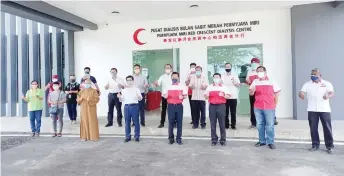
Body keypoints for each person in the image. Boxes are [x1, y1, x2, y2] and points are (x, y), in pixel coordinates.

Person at [299, 68, 334, 154]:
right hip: (312, 110)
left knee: (327, 128)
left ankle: (329, 146)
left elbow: (331, 93)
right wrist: (301, 95)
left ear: (320, 75)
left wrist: (328, 96)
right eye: (312, 75)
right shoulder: (307, 84)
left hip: (324, 109)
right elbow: (301, 92)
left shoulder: (326, 83)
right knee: (313, 128)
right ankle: (315, 145)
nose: (313, 76)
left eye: (315, 75)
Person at [249, 66, 281, 150]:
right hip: (258, 107)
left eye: (261, 71)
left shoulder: (271, 81)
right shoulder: (255, 81)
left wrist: (275, 105)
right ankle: (262, 141)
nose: (259, 72)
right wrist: (251, 91)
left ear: (265, 72)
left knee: (270, 125)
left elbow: (277, 93)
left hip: (269, 107)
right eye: (258, 71)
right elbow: (251, 93)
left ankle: (270, 142)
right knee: (259, 125)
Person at [205, 73, 231, 146]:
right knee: (212, 124)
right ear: (213, 78)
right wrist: (207, 96)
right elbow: (206, 96)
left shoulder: (224, 87)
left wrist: (223, 95)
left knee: (222, 123)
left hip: (221, 106)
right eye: (215, 77)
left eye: (217, 77)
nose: (216, 78)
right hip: (212, 106)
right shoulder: (209, 87)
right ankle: (214, 139)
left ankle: (223, 139)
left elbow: (228, 96)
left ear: (220, 78)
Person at [163, 72, 187, 145]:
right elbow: (164, 96)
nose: (174, 78)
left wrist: (182, 97)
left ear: (178, 78)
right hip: (171, 106)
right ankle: (171, 138)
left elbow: (185, 96)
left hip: (179, 106)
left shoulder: (182, 86)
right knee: (171, 123)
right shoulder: (167, 86)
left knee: (179, 123)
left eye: (176, 77)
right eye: (173, 77)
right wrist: (165, 95)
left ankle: (179, 138)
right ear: (171, 78)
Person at [118, 75, 143, 142]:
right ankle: (128, 136)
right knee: (127, 122)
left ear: (133, 81)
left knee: (136, 122)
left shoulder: (136, 89)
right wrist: (119, 97)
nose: (129, 81)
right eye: (128, 80)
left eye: (130, 80)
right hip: (126, 107)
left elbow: (140, 98)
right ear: (126, 81)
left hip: (134, 106)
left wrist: (138, 97)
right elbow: (122, 100)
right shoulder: (124, 90)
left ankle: (137, 136)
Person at [222, 63, 240, 130]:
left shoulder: (234, 75)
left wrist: (235, 83)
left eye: (229, 67)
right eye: (226, 67)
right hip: (225, 96)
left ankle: (233, 125)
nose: (227, 68)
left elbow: (238, 85)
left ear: (231, 67)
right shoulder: (222, 75)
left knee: (233, 112)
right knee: (225, 111)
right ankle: (226, 124)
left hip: (233, 96)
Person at [154, 64, 173, 128]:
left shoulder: (173, 76)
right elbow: (158, 84)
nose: (167, 69)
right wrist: (156, 83)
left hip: (172, 95)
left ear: (171, 68)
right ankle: (162, 122)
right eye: (166, 68)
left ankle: (173, 122)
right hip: (164, 95)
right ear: (164, 69)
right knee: (163, 110)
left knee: (172, 109)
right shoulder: (162, 76)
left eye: (168, 68)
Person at [246, 58, 260, 128]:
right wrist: (247, 81)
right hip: (252, 92)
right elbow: (247, 81)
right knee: (252, 107)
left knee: (260, 107)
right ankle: (253, 123)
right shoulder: (249, 71)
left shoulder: (261, 71)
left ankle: (261, 122)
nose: (254, 64)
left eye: (255, 63)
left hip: (260, 92)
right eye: (252, 63)